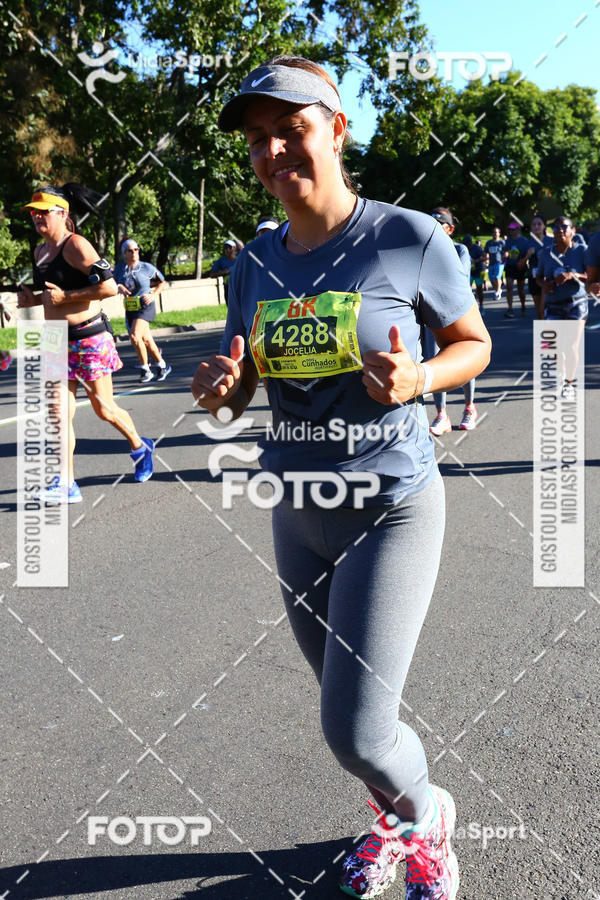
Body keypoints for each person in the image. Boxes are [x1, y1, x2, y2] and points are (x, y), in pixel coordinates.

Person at [191, 56, 491, 900]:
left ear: (336, 128)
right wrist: (224, 389)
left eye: (293, 129)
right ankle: (398, 819)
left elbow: (475, 343)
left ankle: (426, 821)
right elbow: (245, 382)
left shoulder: (405, 237)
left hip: (390, 505)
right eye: (258, 139)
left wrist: (419, 380)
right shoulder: (253, 264)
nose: (275, 150)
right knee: (361, 714)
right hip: (298, 510)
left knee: (354, 729)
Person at [17, 184, 155, 502]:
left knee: (104, 409)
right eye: (33, 212)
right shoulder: (39, 252)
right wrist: (32, 300)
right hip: (54, 341)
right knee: (57, 413)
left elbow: (108, 287)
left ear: (63, 213)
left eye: (43, 211)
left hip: (88, 338)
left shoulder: (77, 246)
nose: (37, 217)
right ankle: (65, 483)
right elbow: (51, 294)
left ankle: (140, 445)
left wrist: (66, 297)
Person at [427, 208, 480, 434]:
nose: (434, 225)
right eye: (431, 221)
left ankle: (469, 408)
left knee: (463, 360)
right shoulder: (422, 253)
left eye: (439, 222)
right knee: (435, 362)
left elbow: (457, 280)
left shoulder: (460, 250)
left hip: (458, 314)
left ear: (450, 229)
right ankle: (441, 414)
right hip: (429, 314)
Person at [537, 215, 587, 398]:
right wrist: (545, 285)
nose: (560, 230)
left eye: (564, 227)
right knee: (554, 347)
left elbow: (592, 276)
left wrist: (573, 275)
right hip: (554, 304)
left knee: (571, 346)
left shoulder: (582, 250)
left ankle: (569, 384)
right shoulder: (545, 253)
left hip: (576, 303)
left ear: (572, 231)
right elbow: (538, 277)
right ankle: (562, 373)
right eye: (556, 227)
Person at [113, 238, 171, 383]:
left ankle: (145, 369)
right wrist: (119, 287)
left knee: (134, 336)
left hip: (145, 306)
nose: (134, 253)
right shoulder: (120, 269)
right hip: (131, 308)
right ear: (124, 254)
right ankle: (162, 366)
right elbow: (111, 284)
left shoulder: (146, 267)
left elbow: (162, 282)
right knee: (145, 339)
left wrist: (153, 295)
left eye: (136, 250)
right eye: (130, 251)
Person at [524, 215, 553, 320]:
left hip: (548, 278)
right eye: (534, 224)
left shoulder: (551, 241)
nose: (536, 226)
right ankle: (545, 333)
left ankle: (552, 332)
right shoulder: (527, 243)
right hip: (534, 278)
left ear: (544, 226)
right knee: (539, 312)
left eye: (539, 224)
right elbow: (519, 265)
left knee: (545, 308)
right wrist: (527, 255)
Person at [503, 222, 529, 316]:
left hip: (520, 266)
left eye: (513, 229)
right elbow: (505, 252)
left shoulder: (524, 241)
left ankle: (523, 305)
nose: (511, 231)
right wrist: (504, 256)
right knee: (509, 287)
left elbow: (528, 254)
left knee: (520, 290)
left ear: (518, 229)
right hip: (510, 266)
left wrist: (522, 260)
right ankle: (510, 308)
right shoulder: (508, 241)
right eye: (510, 230)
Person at [484, 226, 505, 300]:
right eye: (493, 232)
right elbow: (486, 252)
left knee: (497, 277)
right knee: (491, 279)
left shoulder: (502, 242)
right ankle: (498, 290)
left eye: (496, 232)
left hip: (499, 263)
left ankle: (497, 293)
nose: (495, 234)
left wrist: (504, 257)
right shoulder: (489, 243)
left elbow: (506, 252)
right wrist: (486, 259)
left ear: (499, 233)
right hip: (491, 263)